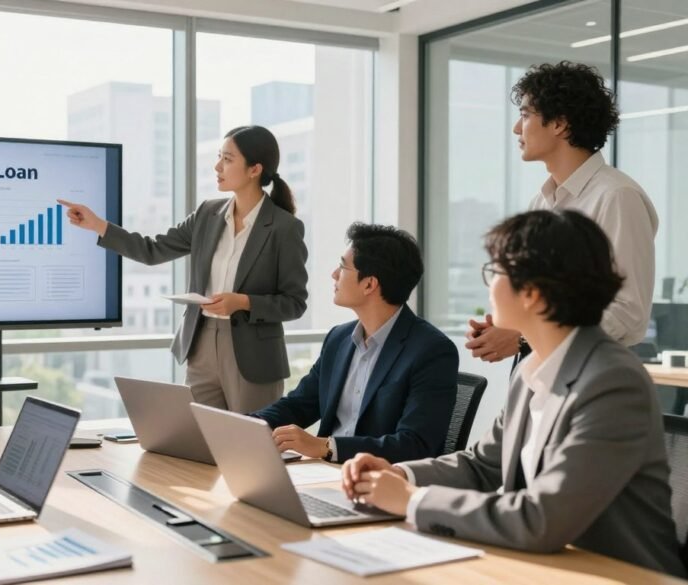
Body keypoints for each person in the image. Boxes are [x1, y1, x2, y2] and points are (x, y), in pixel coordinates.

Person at [343, 210, 685, 577]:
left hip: (616, 576)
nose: (488, 289)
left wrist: (413, 501)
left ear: (533, 294)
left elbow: (543, 518)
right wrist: (399, 474)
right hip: (539, 566)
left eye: (496, 273)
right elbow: (482, 466)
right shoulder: (531, 370)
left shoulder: (613, 381)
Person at [60, 125, 308, 413]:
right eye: (219, 157)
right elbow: (152, 250)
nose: (217, 166)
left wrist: (242, 302)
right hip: (200, 345)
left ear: (255, 169)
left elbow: (295, 302)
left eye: (227, 159)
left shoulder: (283, 227)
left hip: (253, 357)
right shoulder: (207, 214)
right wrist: (99, 226)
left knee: (246, 446)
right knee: (198, 444)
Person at [467, 61, 657, 364]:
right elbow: (546, 302)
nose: (517, 128)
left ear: (559, 124)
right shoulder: (541, 202)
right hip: (538, 372)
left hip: (589, 376)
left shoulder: (617, 197)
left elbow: (628, 314)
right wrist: (510, 327)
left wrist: (523, 336)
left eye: (526, 115)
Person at [252, 223, 458, 463]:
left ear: (369, 284)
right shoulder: (338, 339)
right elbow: (299, 405)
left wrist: (327, 447)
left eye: (342, 266)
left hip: (379, 483)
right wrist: (242, 426)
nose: (334, 274)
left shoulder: (431, 351)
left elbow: (415, 444)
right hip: (323, 474)